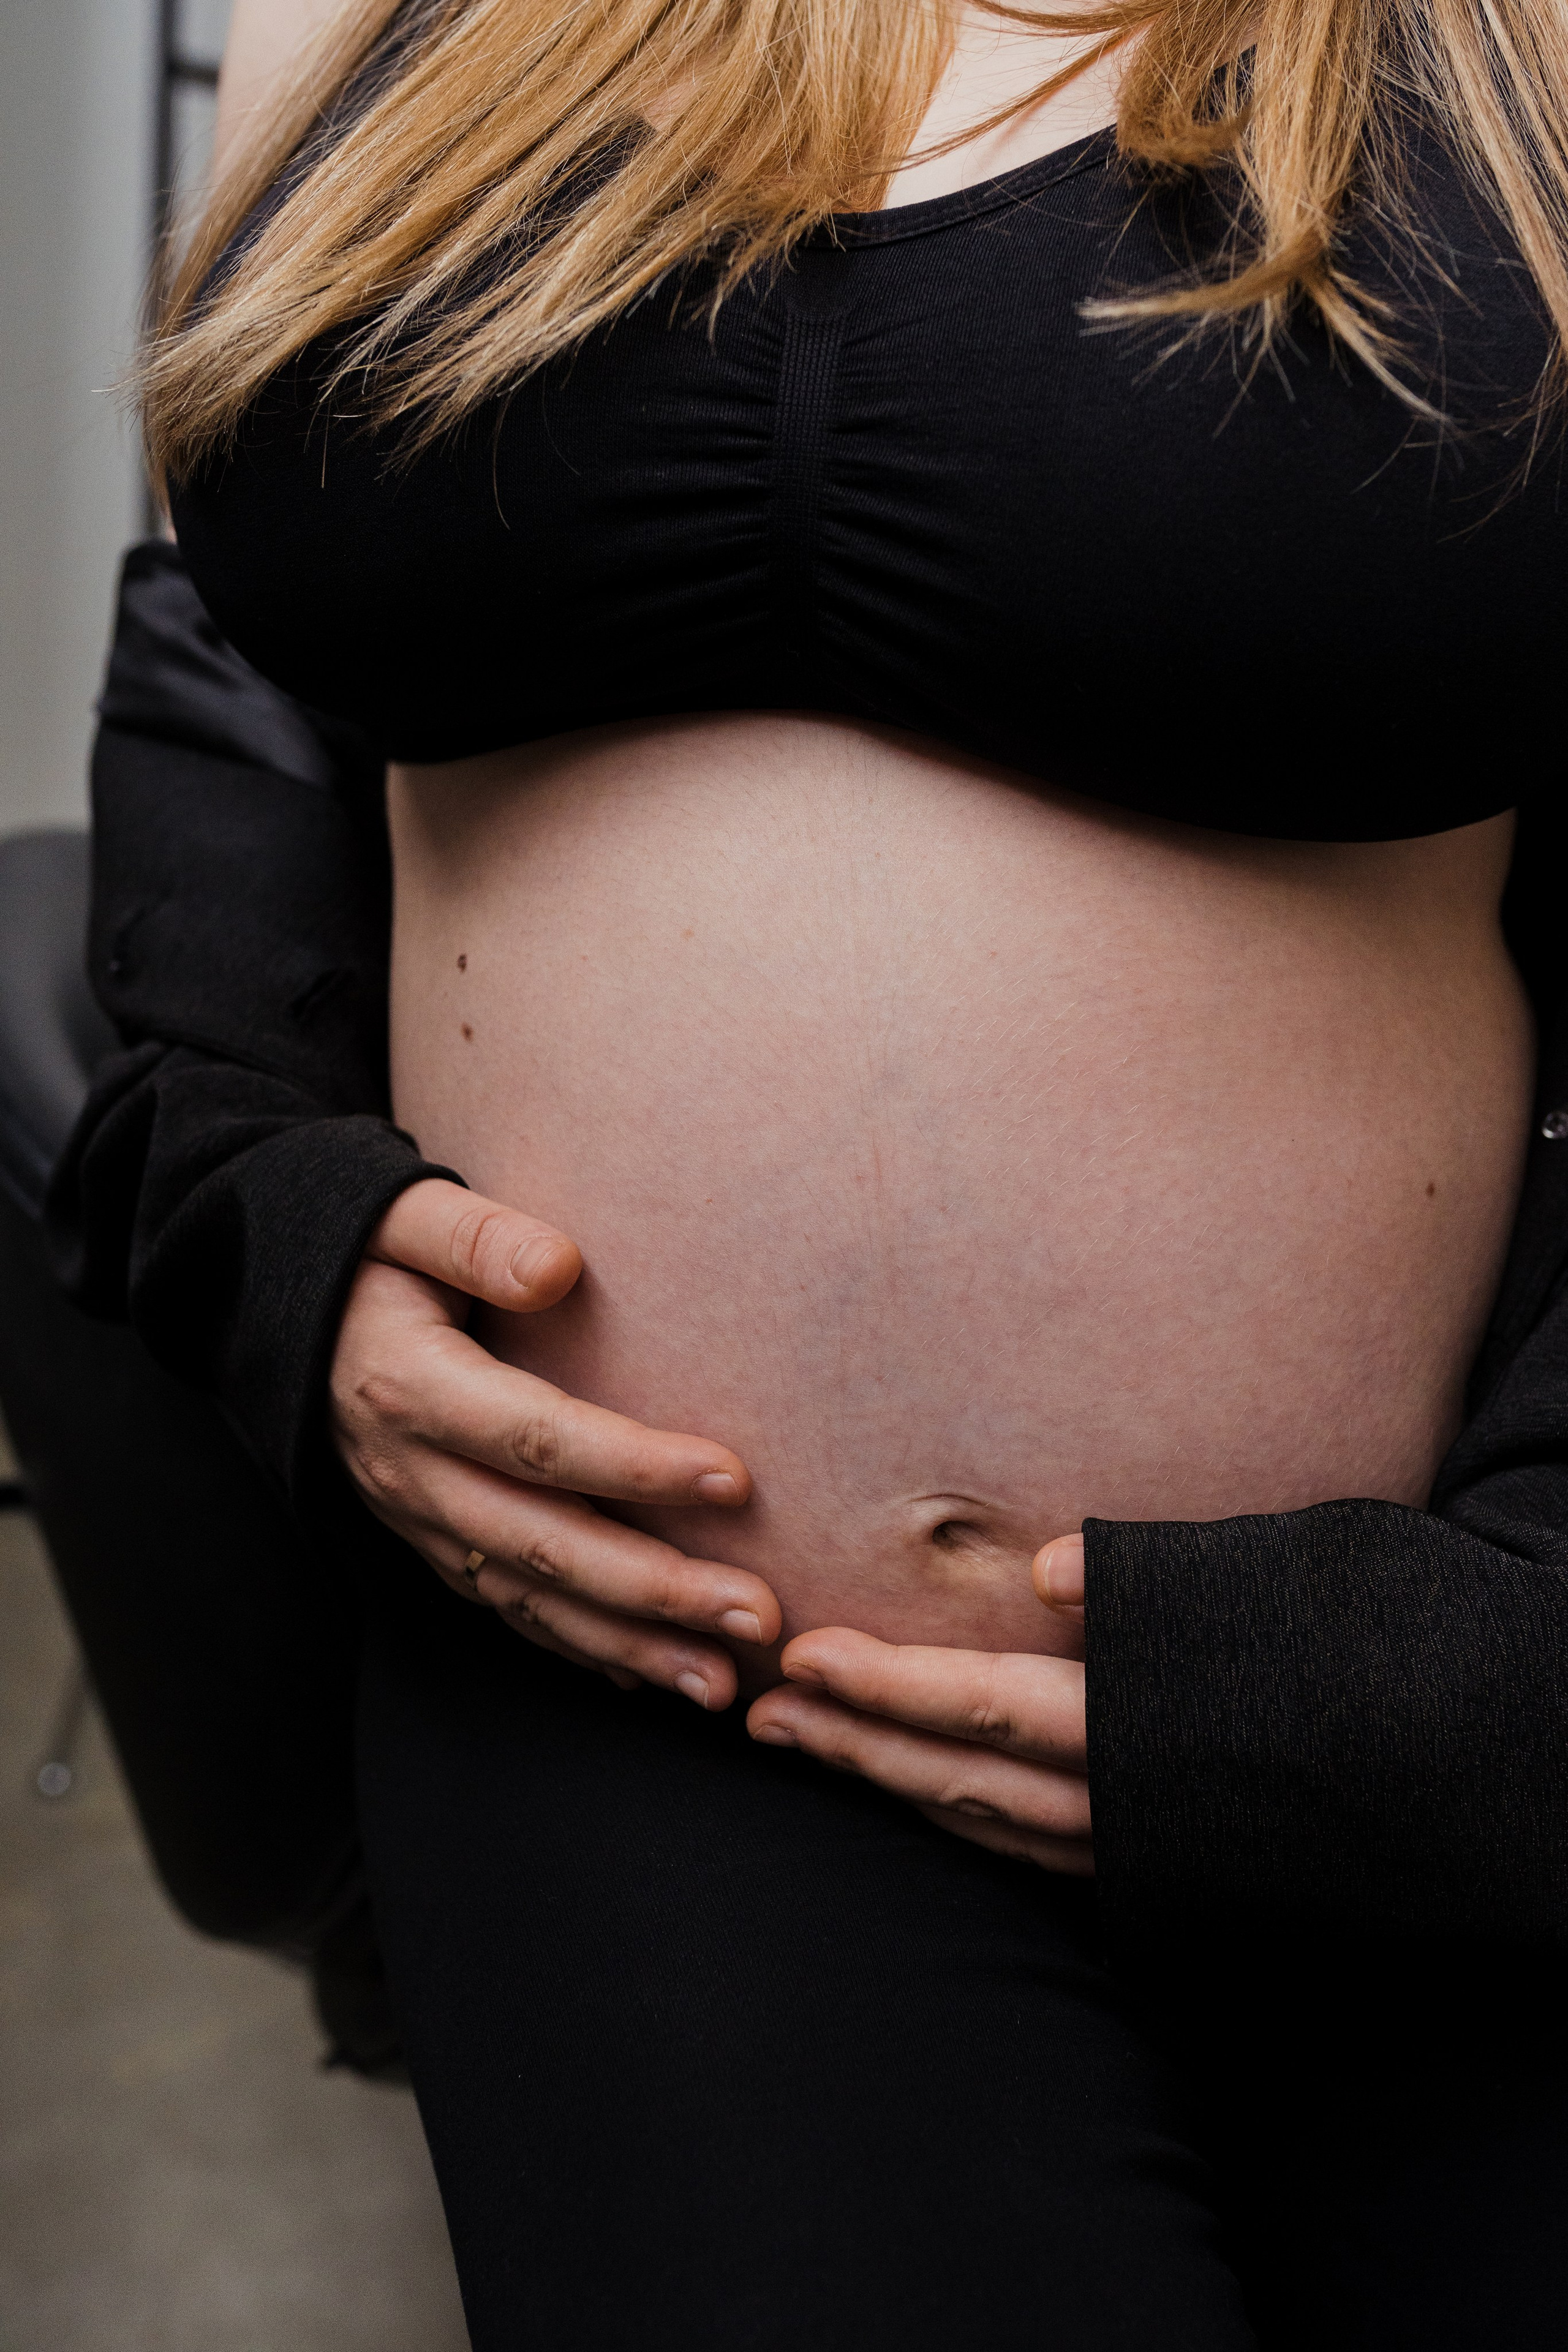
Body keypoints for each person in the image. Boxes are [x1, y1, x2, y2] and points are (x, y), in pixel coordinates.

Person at [47, 0, 1568, 2340]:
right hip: (651, 1682)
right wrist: (259, 1198)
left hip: (1453, 1696)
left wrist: (1510, 1652)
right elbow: (234, 649)